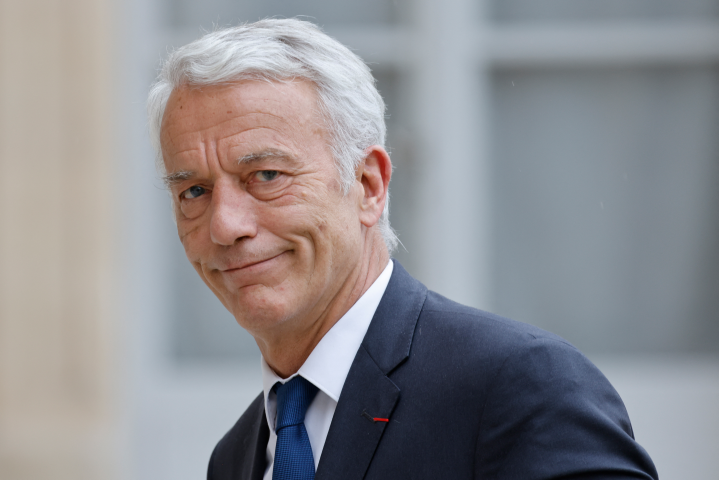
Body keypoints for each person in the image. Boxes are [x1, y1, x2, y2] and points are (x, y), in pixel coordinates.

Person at [147, 18, 658, 480]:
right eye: (193, 191)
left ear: (369, 185)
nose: (225, 226)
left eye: (266, 175)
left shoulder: (520, 387)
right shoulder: (236, 458)